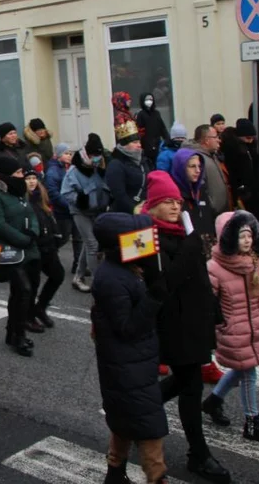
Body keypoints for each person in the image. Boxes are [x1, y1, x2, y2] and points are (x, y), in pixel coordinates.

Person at [145, 171, 232, 483]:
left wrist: (214, 309)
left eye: (176, 200)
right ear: (152, 205)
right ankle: (198, 455)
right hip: (174, 325)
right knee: (191, 386)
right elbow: (162, 284)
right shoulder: (147, 236)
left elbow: (198, 278)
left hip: (195, 321)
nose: (174, 206)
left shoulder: (185, 231)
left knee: (186, 383)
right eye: (166, 201)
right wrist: (191, 247)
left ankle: (138, 409)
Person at [91, 212, 169, 484]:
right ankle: (157, 477)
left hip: (133, 364)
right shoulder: (112, 278)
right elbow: (127, 327)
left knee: (125, 419)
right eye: (136, 237)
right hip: (126, 367)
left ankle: (114, 473)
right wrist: (154, 296)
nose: (143, 241)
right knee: (149, 428)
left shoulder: (127, 268)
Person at [201, 211, 259, 445]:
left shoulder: (254, 263)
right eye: (240, 236)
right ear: (227, 238)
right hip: (232, 331)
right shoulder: (214, 268)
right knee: (249, 373)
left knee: (241, 370)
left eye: (249, 234)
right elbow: (208, 305)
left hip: (252, 330)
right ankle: (252, 422)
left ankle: (213, 401)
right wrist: (214, 329)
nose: (247, 240)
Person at [0, 158, 40, 357]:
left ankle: (12, 331)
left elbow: (30, 213)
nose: (21, 177)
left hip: (26, 247)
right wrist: (22, 239)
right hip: (7, 249)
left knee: (20, 292)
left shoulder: (18, 190)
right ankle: (19, 335)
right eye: (17, 173)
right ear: (6, 175)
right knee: (23, 290)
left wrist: (33, 232)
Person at [62, 136, 110, 292]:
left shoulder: (99, 168)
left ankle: (78, 276)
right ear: (86, 154)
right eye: (94, 155)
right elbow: (66, 192)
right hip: (80, 212)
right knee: (92, 245)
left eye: (99, 155)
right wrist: (79, 200)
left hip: (96, 211)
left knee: (88, 244)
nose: (96, 158)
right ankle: (99, 281)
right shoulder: (74, 171)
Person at [24, 168, 65, 330]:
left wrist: (56, 237)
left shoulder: (41, 197)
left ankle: (40, 307)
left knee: (58, 276)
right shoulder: (23, 200)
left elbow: (49, 218)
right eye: (28, 178)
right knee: (32, 284)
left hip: (48, 246)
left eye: (34, 178)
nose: (32, 181)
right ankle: (28, 316)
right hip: (34, 247)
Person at [44, 143, 81, 274]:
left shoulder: (71, 168)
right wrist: (69, 204)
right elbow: (53, 193)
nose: (69, 156)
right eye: (66, 153)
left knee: (79, 238)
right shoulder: (53, 171)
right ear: (58, 155)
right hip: (63, 212)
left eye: (70, 154)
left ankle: (78, 265)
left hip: (75, 210)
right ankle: (48, 256)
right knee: (63, 237)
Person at [169, 149, 216, 237]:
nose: (198, 170)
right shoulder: (173, 194)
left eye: (199, 166)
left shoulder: (201, 189)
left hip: (207, 243)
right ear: (181, 168)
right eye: (192, 166)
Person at [184, 125, 230, 215]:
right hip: (211, 214)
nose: (219, 140)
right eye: (216, 137)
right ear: (207, 140)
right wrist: (211, 207)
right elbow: (199, 188)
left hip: (220, 212)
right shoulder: (197, 158)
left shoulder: (212, 155)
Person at [221, 119, 259, 217]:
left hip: (250, 189)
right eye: (248, 138)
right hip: (242, 191)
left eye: (252, 138)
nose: (250, 140)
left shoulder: (249, 148)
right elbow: (234, 173)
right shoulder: (234, 150)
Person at [107, 121, 148, 214]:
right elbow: (118, 193)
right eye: (134, 142)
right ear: (124, 145)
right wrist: (133, 208)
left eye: (139, 142)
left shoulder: (143, 161)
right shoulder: (116, 164)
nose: (139, 145)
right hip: (123, 213)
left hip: (144, 210)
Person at [136, 93, 168, 167]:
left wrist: (167, 139)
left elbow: (162, 127)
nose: (149, 101)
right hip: (146, 145)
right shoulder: (141, 114)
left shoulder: (156, 113)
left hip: (157, 143)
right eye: (147, 100)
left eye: (151, 99)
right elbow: (139, 130)